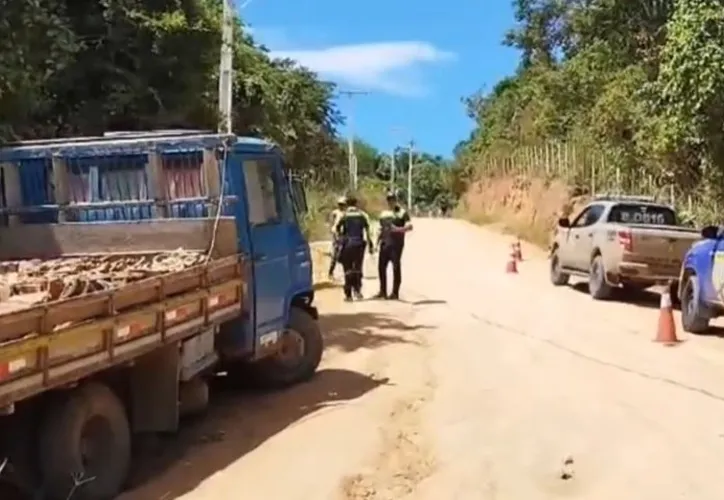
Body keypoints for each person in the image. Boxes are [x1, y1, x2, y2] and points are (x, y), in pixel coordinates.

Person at [375, 190, 413, 300]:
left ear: (396, 200)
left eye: (392, 199)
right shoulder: (383, 214)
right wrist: (376, 243)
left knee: (396, 267)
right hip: (385, 243)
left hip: (397, 244)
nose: (390, 201)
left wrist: (397, 229)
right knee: (381, 267)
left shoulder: (402, 213)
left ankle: (395, 292)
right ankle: (383, 291)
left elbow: (410, 227)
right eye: (389, 199)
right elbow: (380, 229)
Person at [334, 194, 373, 301]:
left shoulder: (344, 215)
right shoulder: (362, 215)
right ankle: (358, 291)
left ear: (347, 204)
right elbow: (367, 231)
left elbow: (337, 228)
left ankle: (348, 294)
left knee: (347, 269)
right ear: (356, 204)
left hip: (347, 245)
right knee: (357, 268)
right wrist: (370, 244)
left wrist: (340, 240)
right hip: (359, 245)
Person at [327, 196, 347, 279]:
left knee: (345, 254)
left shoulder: (346, 213)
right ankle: (330, 272)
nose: (341, 206)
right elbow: (332, 223)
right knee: (335, 255)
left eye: (342, 204)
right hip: (336, 234)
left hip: (343, 234)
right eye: (340, 204)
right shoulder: (335, 212)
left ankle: (346, 273)